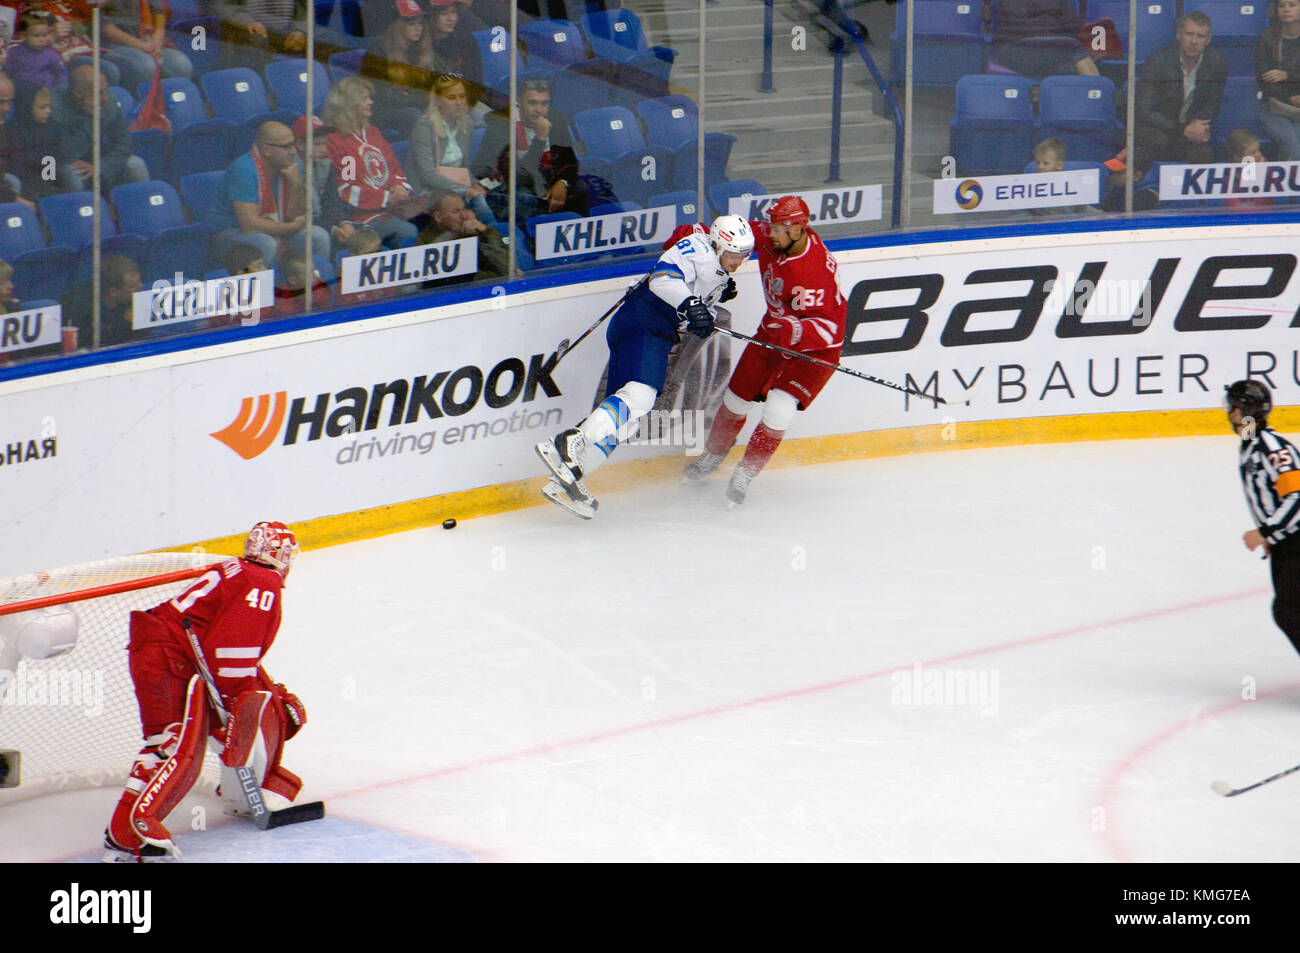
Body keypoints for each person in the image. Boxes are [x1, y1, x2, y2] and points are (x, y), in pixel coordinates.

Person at [102, 522, 307, 862]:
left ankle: (125, 837)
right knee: (171, 744)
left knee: (166, 743)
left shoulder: (240, 571)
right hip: (168, 656)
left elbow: (224, 648)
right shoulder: (263, 582)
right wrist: (232, 705)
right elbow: (230, 652)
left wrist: (240, 701)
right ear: (281, 555)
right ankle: (130, 835)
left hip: (163, 651)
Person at [535, 214, 754, 518]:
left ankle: (565, 479)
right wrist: (691, 305)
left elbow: (698, 311)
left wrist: (704, 317)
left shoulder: (719, 275)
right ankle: (570, 440)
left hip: (656, 331)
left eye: (744, 255)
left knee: (628, 420)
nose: (738, 261)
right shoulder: (697, 246)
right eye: (734, 254)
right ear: (718, 243)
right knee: (642, 396)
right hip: (643, 322)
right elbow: (663, 279)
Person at [683, 196, 847, 506]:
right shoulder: (776, 238)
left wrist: (793, 330)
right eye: (770, 226)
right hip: (773, 333)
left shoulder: (814, 274)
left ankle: (745, 472)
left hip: (816, 352)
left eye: (778, 229)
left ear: (798, 229)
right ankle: (714, 455)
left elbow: (830, 331)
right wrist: (696, 237)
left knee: (778, 410)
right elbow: (734, 235)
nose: (769, 234)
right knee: (733, 401)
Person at [1226, 380, 1300, 661]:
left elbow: (1297, 497)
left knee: (1289, 611)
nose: (1229, 414)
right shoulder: (1249, 445)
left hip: (1296, 542)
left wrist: (1267, 531)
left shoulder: (1271, 447)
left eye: (1233, 407)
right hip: (1286, 544)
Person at [208, 120, 331, 265]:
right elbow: (250, 225)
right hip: (230, 233)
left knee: (318, 236)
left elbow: (296, 216)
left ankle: (316, 284)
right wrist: (289, 228)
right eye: (286, 147)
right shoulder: (243, 170)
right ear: (266, 150)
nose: (293, 151)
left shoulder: (293, 166)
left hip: (275, 227)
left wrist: (296, 184)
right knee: (265, 243)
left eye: (293, 145)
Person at [324, 75, 422, 249]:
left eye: (370, 97)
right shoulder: (339, 141)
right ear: (348, 104)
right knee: (407, 232)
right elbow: (347, 188)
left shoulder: (373, 133)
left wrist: (399, 187)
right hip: (363, 216)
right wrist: (385, 198)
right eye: (364, 99)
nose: (370, 102)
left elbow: (393, 167)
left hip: (394, 206)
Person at [472, 77, 588, 223]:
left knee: (581, 188)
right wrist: (539, 140)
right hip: (515, 184)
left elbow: (570, 161)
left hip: (548, 179)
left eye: (544, 103)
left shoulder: (556, 118)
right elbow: (519, 175)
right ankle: (530, 240)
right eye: (532, 103)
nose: (539, 110)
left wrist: (562, 182)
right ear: (519, 102)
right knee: (524, 197)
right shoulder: (502, 124)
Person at [1135, 13, 1227, 165]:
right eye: (1189, 34)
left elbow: (1212, 105)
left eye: (1200, 36)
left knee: (1204, 155)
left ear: (1208, 40)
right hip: (1157, 128)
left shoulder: (1217, 63)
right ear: (1178, 34)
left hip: (1189, 130)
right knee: (1159, 143)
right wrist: (1183, 129)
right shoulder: (1158, 61)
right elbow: (1144, 110)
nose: (1193, 41)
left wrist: (1197, 125)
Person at [409, 73, 494, 224]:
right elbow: (427, 175)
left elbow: (464, 168)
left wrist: (476, 184)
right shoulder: (424, 126)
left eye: (462, 96)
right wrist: (466, 189)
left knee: (492, 195)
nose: (459, 102)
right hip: (429, 190)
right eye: (452, 97)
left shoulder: (466, 122)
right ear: (439, 101)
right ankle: (493, 236)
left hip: (459, 186)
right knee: (476, 200)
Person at [52, 64, 149, 192]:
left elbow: (125, 143)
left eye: (105, 90)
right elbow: (64, 153)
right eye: (99, 93)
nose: (105, 98)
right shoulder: (56, 107)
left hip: (98, 157)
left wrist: (101, 166)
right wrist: (91, 120)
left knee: (136, 165)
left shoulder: (109, 101)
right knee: (73, 174)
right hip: (63, 161)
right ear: (78, 93)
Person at [361, 0, 437, 133]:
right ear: (397, 26)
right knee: (415, 116)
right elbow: (381, 95)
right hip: (382, 110)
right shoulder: (378, 48)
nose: (418, 29)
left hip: (415, 104)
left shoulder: (421, 47)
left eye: (420, 23)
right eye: (411, 24)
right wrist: (424, 99)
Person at [291, 113, 356, 254]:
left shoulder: (325, 166)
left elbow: (333, 203)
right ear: (300, 145)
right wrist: (332, 229)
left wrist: (344, 223)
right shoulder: (290, 170)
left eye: (325, 143)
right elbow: (298, 215)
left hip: (323, 222)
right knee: (321, 236)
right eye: (318, 144)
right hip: (297, 228)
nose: (324, 149)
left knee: (360, 233)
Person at [100, 0, 191, 93]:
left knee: (180, 63)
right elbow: (101, 24)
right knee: (146, 66)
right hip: (113, 43)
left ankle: (176, 103)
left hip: (147, 38)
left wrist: (157, 39)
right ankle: (143, 104)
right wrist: (142, 46)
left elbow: (158, 11)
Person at [417, 188, 508, 280]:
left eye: (464, 210)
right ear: (438, 217)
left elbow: (507, 266)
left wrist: (485, 231)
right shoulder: (426, 247)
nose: (464, 216)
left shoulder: (471, 234)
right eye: (456, 212)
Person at [993, 0, 1100, 78]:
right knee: (1073, 47)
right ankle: (1098, 95)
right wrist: (1053, 33)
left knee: (1068, 70)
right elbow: (1018, 25)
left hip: (1051, 48)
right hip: (1016, 48)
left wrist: (1089, 36)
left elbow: (1072, 23)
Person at [60, 254, 145, 349]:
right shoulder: (77, 306)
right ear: (114, 292)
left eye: (139, 281)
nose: (141, 286)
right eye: (132, 286)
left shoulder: (136, 300)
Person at [1257, 0, 1300, 160]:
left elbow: (1281, 77)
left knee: (1295, 141)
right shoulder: (1267, 37)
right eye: (1281, 6)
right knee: (1289, 140)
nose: (1286, 9)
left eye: (1292, 5)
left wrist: (1287, 75)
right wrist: (1290, 99)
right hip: (1274, 105)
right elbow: (1264, 79)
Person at [5, 10, 65, 92]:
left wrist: (59, 89)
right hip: (21, 92)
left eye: (44, 35)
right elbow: (7, 71)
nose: (41, 40)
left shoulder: (51, 54)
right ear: (24, 36)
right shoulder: (15, 53)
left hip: (45, 92)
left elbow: (61, 73)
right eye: (36, 36)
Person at [1224, 129, 1275, 208]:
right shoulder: (1228, 174)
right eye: (1253, 152)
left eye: (1258, 150)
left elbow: (1268, 202)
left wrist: (1261, 172)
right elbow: (1233, 206)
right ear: (1237, 157)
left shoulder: (1266, 168)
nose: (1259, 155)